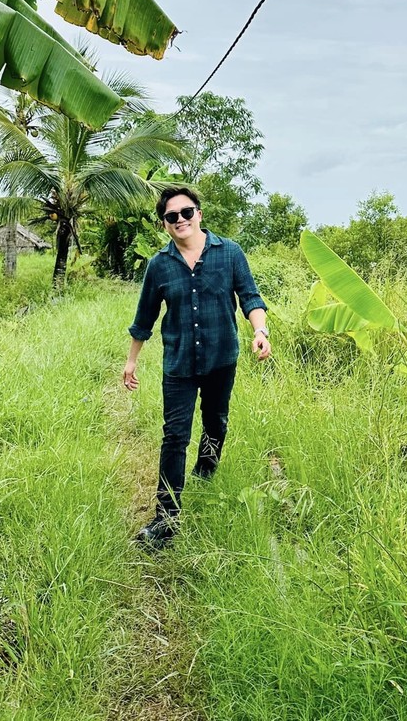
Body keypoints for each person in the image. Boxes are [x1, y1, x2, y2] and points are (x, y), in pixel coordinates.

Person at [124, 187, 271, 548]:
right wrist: (131, 361)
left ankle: (205, 474)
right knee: (175, 436)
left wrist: (260, 330)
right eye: (172, 217)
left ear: (199, 214)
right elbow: (145, 317)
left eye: (186, 212)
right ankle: (166, 518)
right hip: (179, 363)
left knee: (216, 422)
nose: (180, 221)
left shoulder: (230, 253)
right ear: (164, 224)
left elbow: (250, 296)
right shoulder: (159, 265)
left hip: (222, 358)